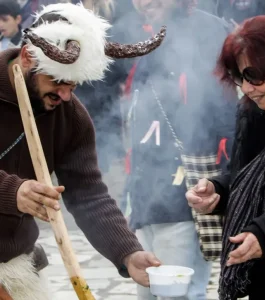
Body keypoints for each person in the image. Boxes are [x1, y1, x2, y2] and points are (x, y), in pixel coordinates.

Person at [0, 2, 166, 299]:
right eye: (58, 81)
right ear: (27, 57)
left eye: (73, 85)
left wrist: (127, 252)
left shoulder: (71, 117)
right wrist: (12, 192)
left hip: (13, 263)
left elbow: (88, 194)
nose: (65, 95)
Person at [125, 0, 237, 299]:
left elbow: (228, 118)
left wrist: (224, 182)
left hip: (185, 191)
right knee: (147, 294)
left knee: (181, 294)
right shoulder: (144, 34)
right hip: (145, 193)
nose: (144, 3)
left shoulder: (209, 32)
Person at [186, 15, 265, 300]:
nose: (247, 89)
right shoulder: (252, 113)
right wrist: (218, 191)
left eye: (254, 76)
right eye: (240, 77)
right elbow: (247, 177)